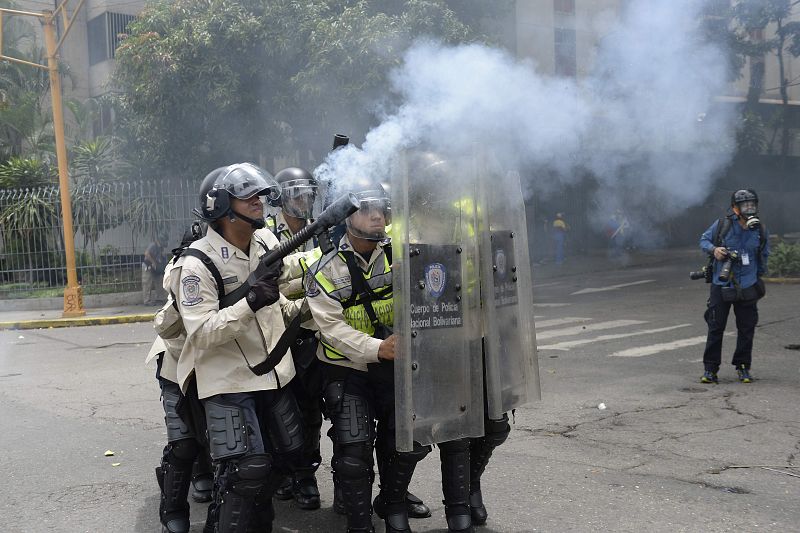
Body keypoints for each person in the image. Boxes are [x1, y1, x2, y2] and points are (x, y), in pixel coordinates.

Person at [173, 163, 305, 532]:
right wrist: (249, 302)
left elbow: (284, 284)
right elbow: (201, 333)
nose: (258, 200)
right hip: (228, 379)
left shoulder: (264, 242)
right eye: (246, 196)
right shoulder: (196, 263)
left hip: (272, 373)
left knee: (285, 459)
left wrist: (316, 284)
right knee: (246, 470)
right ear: (221, 208)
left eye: (259, 193)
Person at [303, 184, 430, 533]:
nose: (377, 216)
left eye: (381, 209)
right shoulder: (323, 268)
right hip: (347, 371)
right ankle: (360, 524)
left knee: (406, 442)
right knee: (354, 453)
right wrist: (377, 348)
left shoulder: (401, 253)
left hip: (395, 366)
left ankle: (392, 503)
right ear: (345, 217)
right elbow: (331, 329)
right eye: (365, 209)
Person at [147, 223, 214, 533]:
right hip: (176, 367)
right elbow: (168, 328)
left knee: (228, 442)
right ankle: (173, 509)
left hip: (221, 368)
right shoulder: (183, 273)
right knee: (184, 443)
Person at [267, 167, 325, 511]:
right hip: (279, 333)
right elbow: (272, 280)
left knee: (310, 409)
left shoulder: (323, 228)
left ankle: (306, 476)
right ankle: (283, 472)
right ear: (281, 198)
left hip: (313, 331)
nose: (304, 199)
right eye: (296, 193)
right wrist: (308, 279)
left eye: (308, 193)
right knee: (279, 409)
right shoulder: (266, 233)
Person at [699, 188, 769, 384]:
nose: (749, 208)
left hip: (748, 285)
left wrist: (757, 277)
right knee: (715, 327)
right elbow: (703, 240)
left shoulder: (760, 230)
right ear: (735, 208)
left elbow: (764, 255)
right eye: (745, 205)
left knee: (747, 329)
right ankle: (710, 369)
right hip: (721, 284)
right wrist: (714, 250)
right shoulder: (723, 225)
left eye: (752, 204)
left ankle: (743, 367)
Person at [143, 234, 168, 305]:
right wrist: (153, 262)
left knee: (159, 281)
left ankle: (159, 299)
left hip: (156, 267)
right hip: (148, 265)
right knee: (147, 283)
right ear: (160, 240)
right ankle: (147, 301)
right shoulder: (153, 245)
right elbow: (146, 254)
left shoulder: (161, 247)